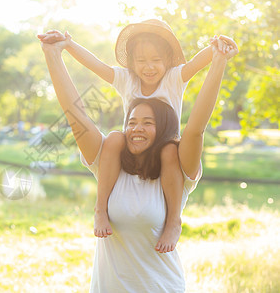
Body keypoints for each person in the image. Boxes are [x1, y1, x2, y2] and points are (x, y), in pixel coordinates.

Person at [39, 27, 238, 292]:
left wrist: (219, 58)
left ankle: (173, 222)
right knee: (113, 138)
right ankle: (99, 210)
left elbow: (195, 128)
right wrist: (57, 52)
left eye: (148, 123)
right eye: (131, 122)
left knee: (169, 150)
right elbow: (77, 117)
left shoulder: (176, 171)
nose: (137, 129)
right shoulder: (110, 167)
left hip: (162, 286)